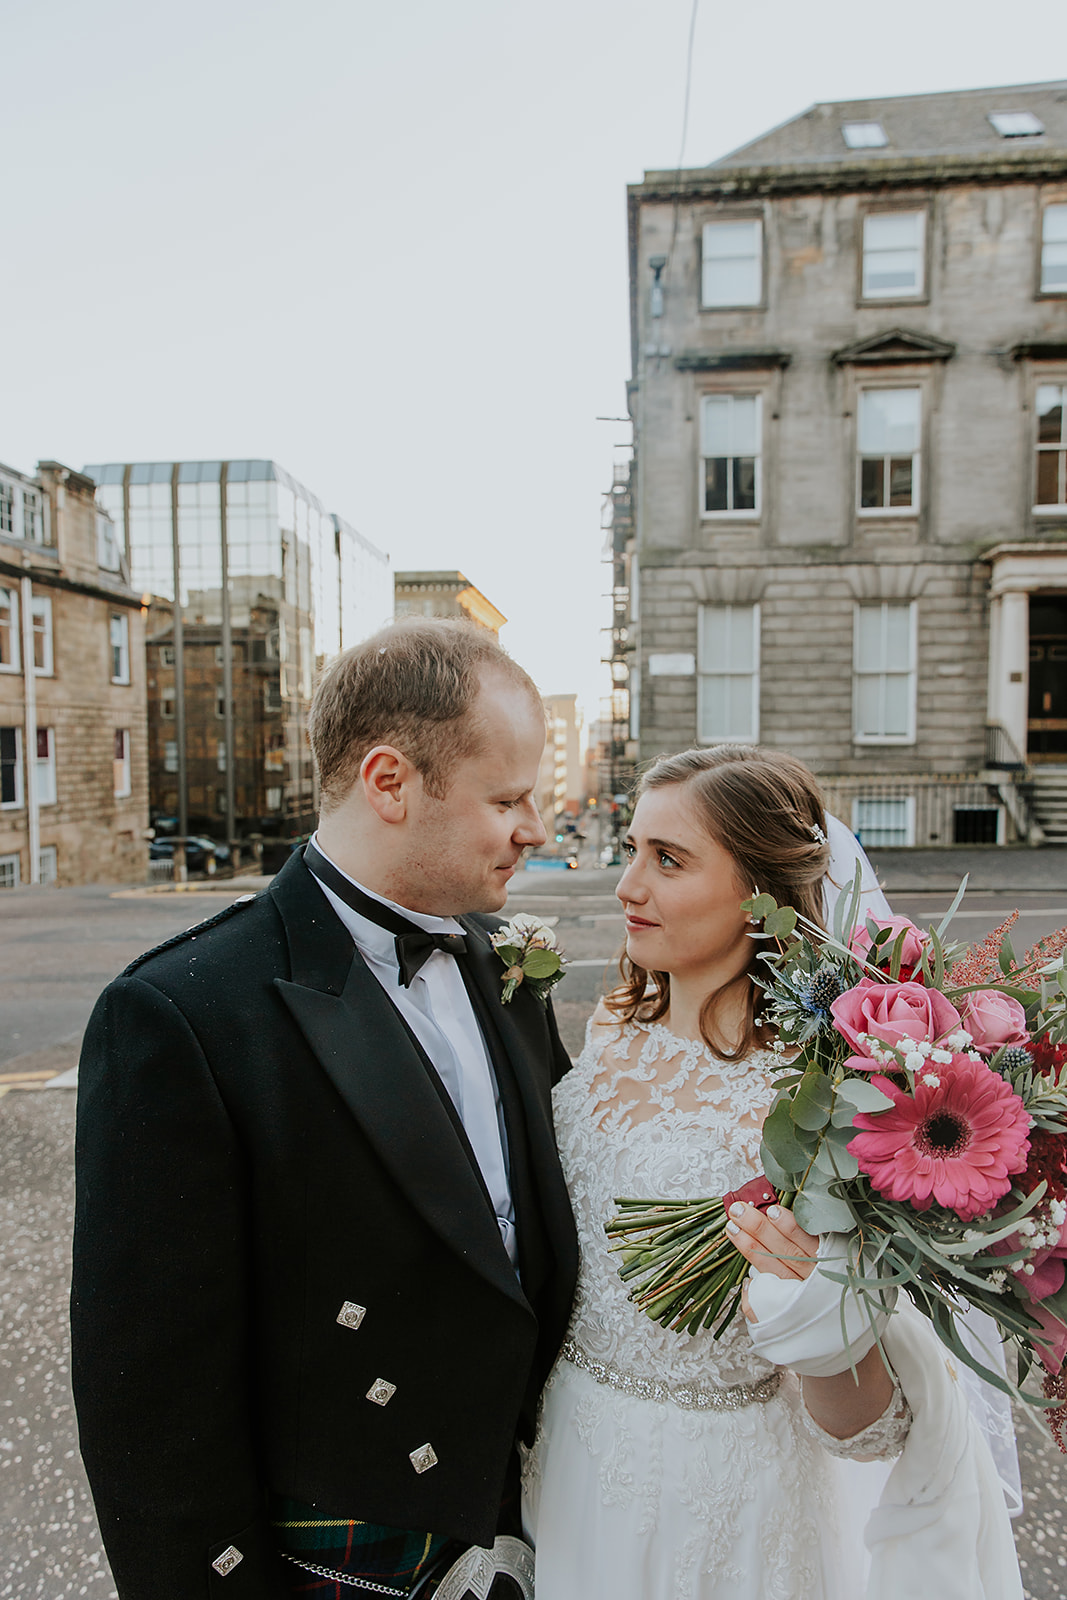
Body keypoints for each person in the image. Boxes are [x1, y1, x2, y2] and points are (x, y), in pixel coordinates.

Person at [71, 619, 579, 1599]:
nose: (534, 830)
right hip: (340, 1561)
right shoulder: (181, 1013)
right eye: (508, 800)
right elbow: (153, 1404)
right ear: (388, 782)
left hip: (536, 1527)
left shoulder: (509, 962)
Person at [521, 744, 1022, 1600]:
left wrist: (809, 1313)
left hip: (724, 1504)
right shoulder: (609, 1030)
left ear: (759, 894)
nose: (626, 885)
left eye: (667, 859)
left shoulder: (822, 1104)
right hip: (567, 1460)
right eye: (632, 848)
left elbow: (868, 1432)